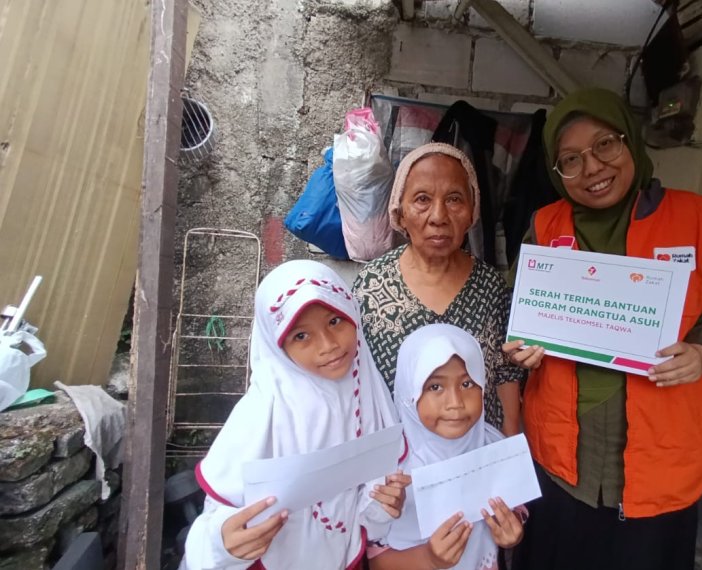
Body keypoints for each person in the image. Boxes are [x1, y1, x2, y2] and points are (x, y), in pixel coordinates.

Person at [504, 88, 702, 570]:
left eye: (605, 145)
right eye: (570, 159)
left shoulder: (698, 221)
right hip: (562, 461)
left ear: (630, 141)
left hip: (660, 459)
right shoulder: (545, 226)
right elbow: (520, 310)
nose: (592, 167)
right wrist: (523, 343)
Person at [181, 260, 410, 570]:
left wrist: (380, 503)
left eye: (335, 321)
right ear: (277, 346)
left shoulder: (364, 387)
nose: (328, 345)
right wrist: (223, 543)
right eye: (301, 336)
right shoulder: (263, 411)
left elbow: (363, 494)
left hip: (344, 557)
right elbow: (217, 523)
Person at [353, 143, 523, 436]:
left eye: (454, 199)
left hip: (477, 450)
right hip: (399, 454)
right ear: (400, 212)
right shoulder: (371, 285)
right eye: (422, 199)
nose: (438, 216)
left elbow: (505, 374)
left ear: (472, 212)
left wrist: (509, 444)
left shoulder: (491, 287)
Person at [368, 324, 524, 570]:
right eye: (435, 387)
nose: (455, 403)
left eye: (467, 384)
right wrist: (429, 559)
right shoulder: (391, 469)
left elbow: (515, 511)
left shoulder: (493, 446)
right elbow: (376, 561)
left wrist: (511, 533)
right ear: (409, 394)